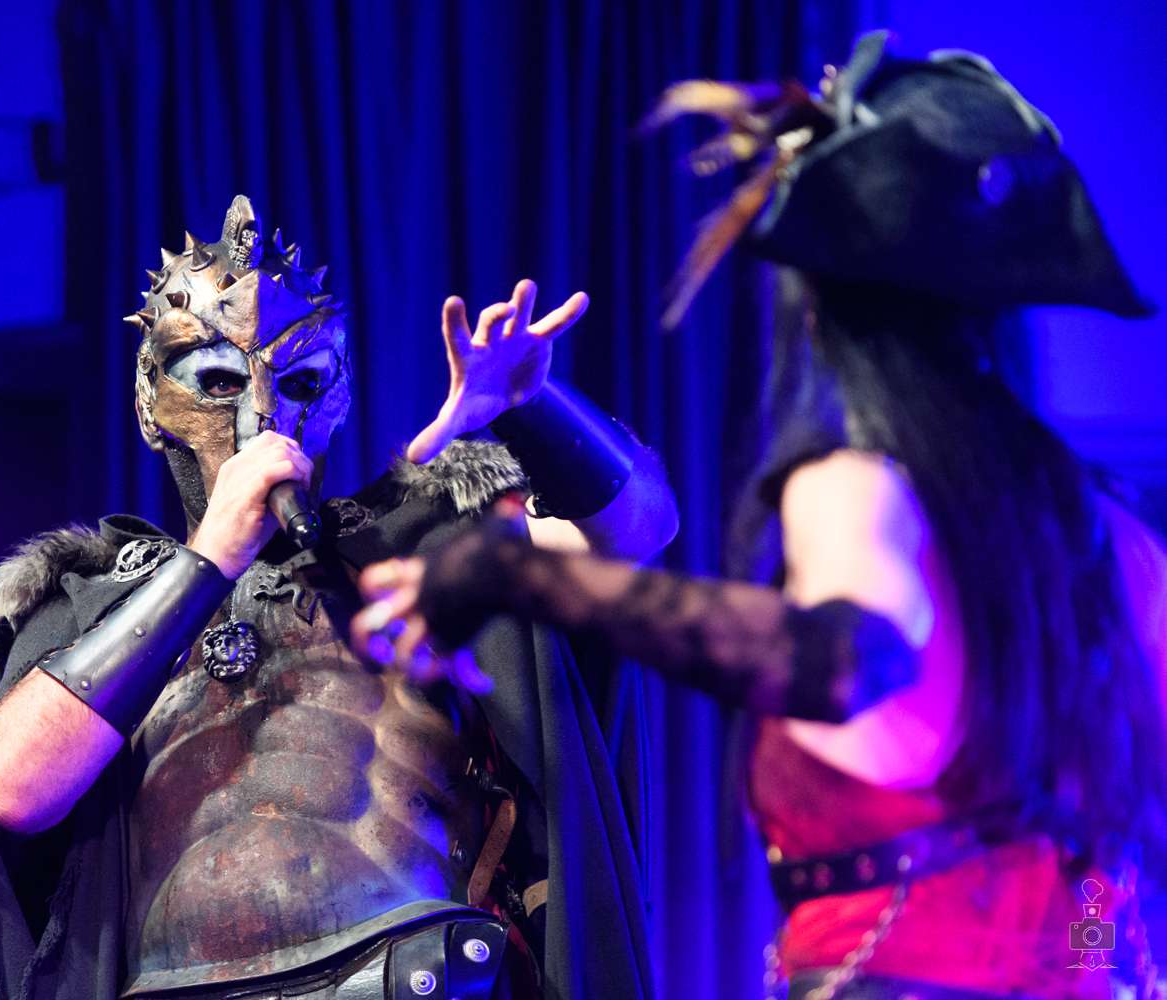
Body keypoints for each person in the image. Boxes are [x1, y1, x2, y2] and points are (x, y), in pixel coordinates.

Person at [352, 32, 1167, 999]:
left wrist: (510, 572)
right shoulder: (1105, 529)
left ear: (816, 309)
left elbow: (847, 660)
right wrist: (1088, 968)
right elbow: (1116, 842)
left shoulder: (861, 488)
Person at [0, 195, 677, 1000]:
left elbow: (638, 532)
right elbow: (11, 788)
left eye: (300, 381)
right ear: (151, 405)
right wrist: (209, 560)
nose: (263, 414)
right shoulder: (92, 603)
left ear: (339, 397)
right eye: (218, 380)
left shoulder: (422, 543)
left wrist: (535, 407)